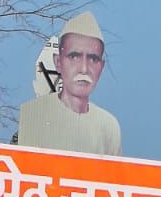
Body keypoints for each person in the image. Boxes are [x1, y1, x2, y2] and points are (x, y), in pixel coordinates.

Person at [17, 11, 122, 157]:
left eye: (93, 59)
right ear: (58, 62)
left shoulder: (109, 126)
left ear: (101, 67)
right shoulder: (33, 113)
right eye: (74, 56)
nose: (84, 69)